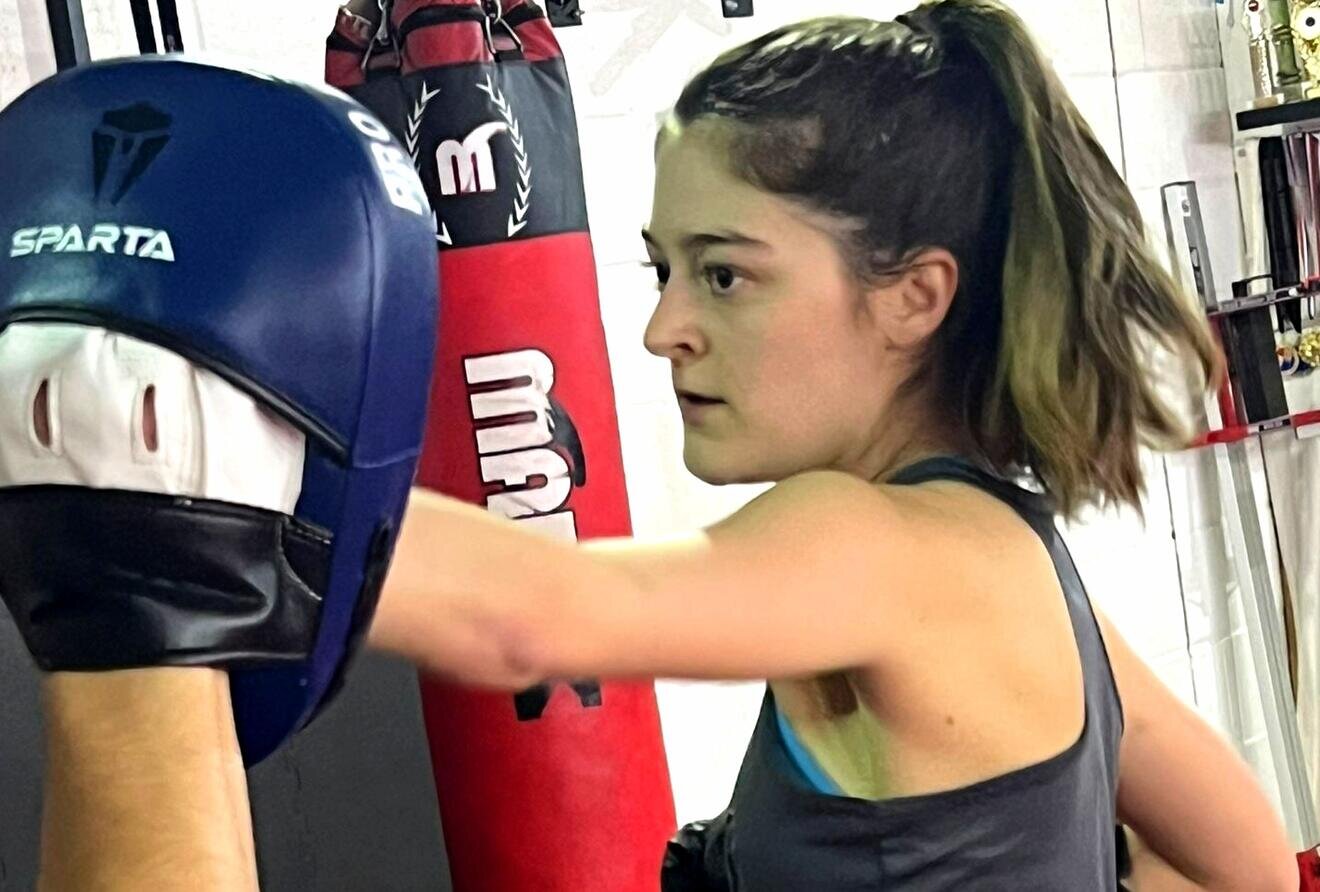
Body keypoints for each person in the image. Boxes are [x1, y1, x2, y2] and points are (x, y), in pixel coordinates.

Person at [11, 1, 1296, 890]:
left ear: (914, 294)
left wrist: (191, 476)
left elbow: (537, 616)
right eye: (661, 269)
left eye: (727, 277)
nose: (663, 330)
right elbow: (1239, 856)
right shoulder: (1015, 555)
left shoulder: (875, 540)